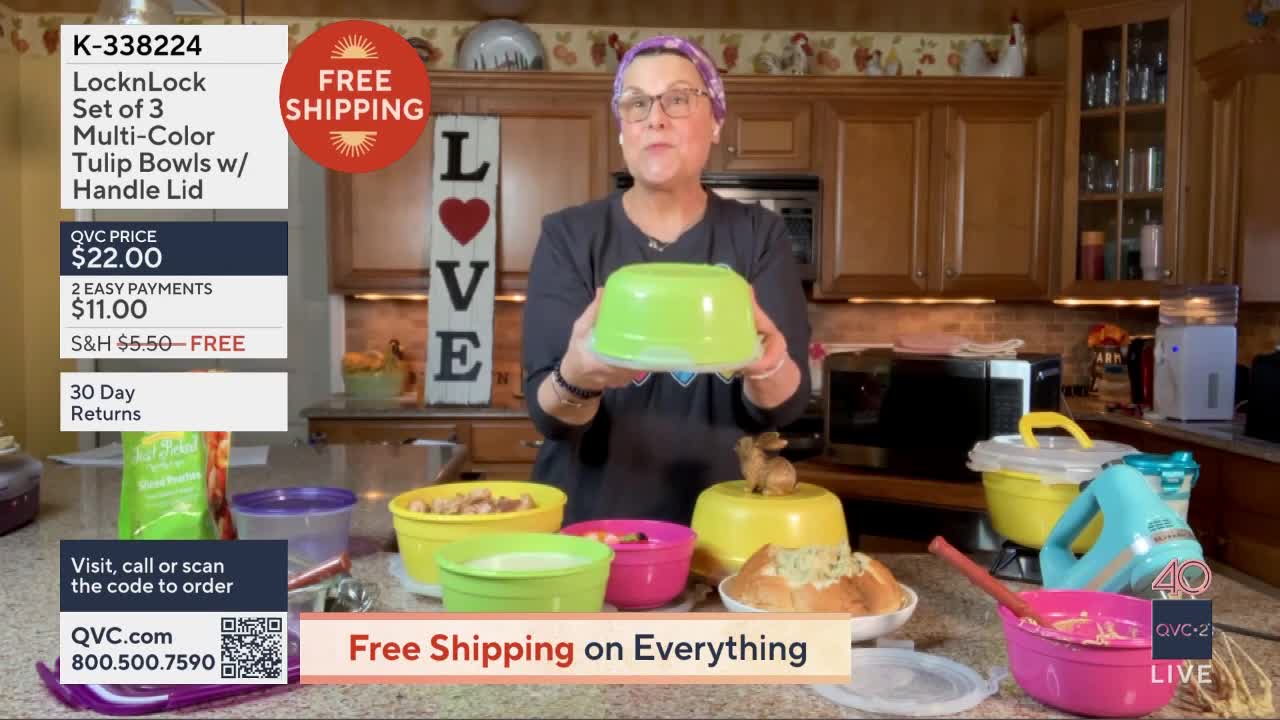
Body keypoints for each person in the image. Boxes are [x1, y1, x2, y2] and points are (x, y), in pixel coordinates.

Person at [521, 35, 812, 525]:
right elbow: (550, 416)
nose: (655, 117)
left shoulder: (758, 234)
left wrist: (767, 365)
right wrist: (577, 377)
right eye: (636, 103)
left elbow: (782, 412)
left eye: (678, 99)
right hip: (590, 527)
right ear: (622, 131)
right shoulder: (568, 235)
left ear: (716, 121)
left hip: (722, 524)